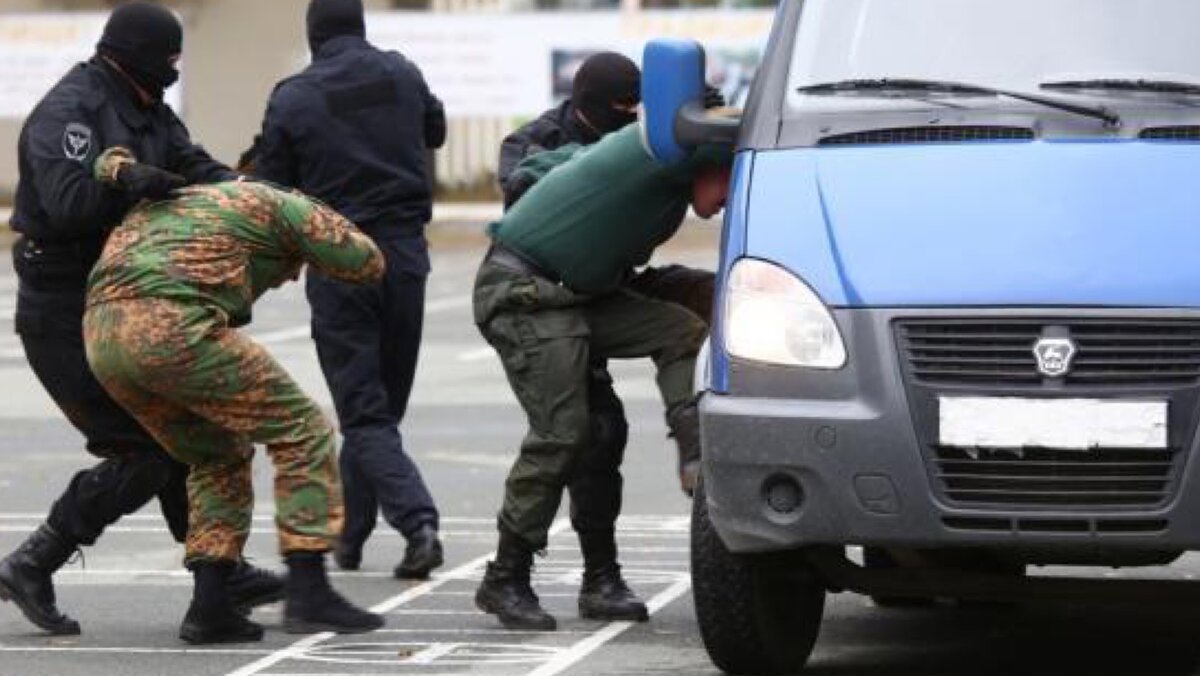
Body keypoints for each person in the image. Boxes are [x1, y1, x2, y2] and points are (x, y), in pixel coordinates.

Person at [0, 1, 281, 637]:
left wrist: (250, 194)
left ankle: (218, 570)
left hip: (122, 298)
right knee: (148, 448)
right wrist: (133, 184)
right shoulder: (70, 113)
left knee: (186, 430)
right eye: (167, 61)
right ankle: (34, 560)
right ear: (134, 57)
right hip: (60, 308)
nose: (173, 72)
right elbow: (67, 204)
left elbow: (193, 165)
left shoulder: (147, 106)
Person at [82, 155, 388, 643]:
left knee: (216, 454)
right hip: (170, 325)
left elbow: (106, 164)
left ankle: (211, 605)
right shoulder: (283, 206)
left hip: (102, 337)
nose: (291, 277)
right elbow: (367, 261)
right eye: (294, 267)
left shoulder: (194, 204)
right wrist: (324, 227)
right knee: (303, 429)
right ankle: (310, 589)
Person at [473, 123, 732, 630]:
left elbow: (553, 164)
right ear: (707, 158)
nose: (729, 202)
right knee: (565, 433)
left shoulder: (668, 187)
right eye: (732, 178)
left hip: (580, 294)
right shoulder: (661, 155)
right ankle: (505, 577)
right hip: (526, 294)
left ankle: (694, 454)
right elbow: (697, 129)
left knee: (680, 332)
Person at [254, 0, 447, 580]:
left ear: (312, 35)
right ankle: (349, 536)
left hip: (340, 259)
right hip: (405, 256)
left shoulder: (294, 96)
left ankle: (418, 524)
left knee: (365, 416)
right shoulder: (403, 72)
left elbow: (273, 190)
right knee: (381, 412)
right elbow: (435, 130)